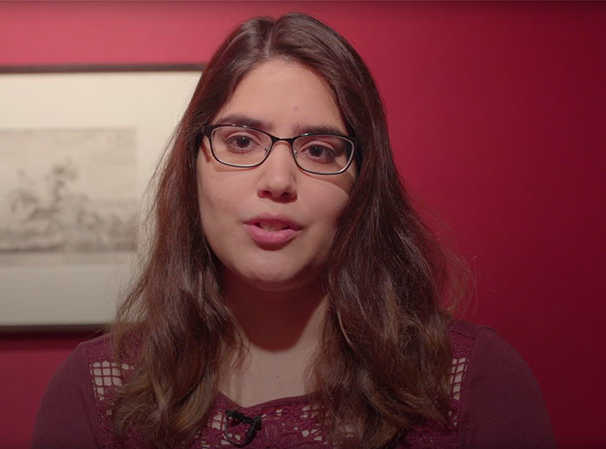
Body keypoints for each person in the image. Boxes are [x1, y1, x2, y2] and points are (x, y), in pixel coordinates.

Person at [31, 13, 555, 449]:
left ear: (364, 184)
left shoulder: (471, 382)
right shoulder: (98, 392)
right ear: (191, 166)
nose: (278, 180)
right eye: (240, 141)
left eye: (319, 150)